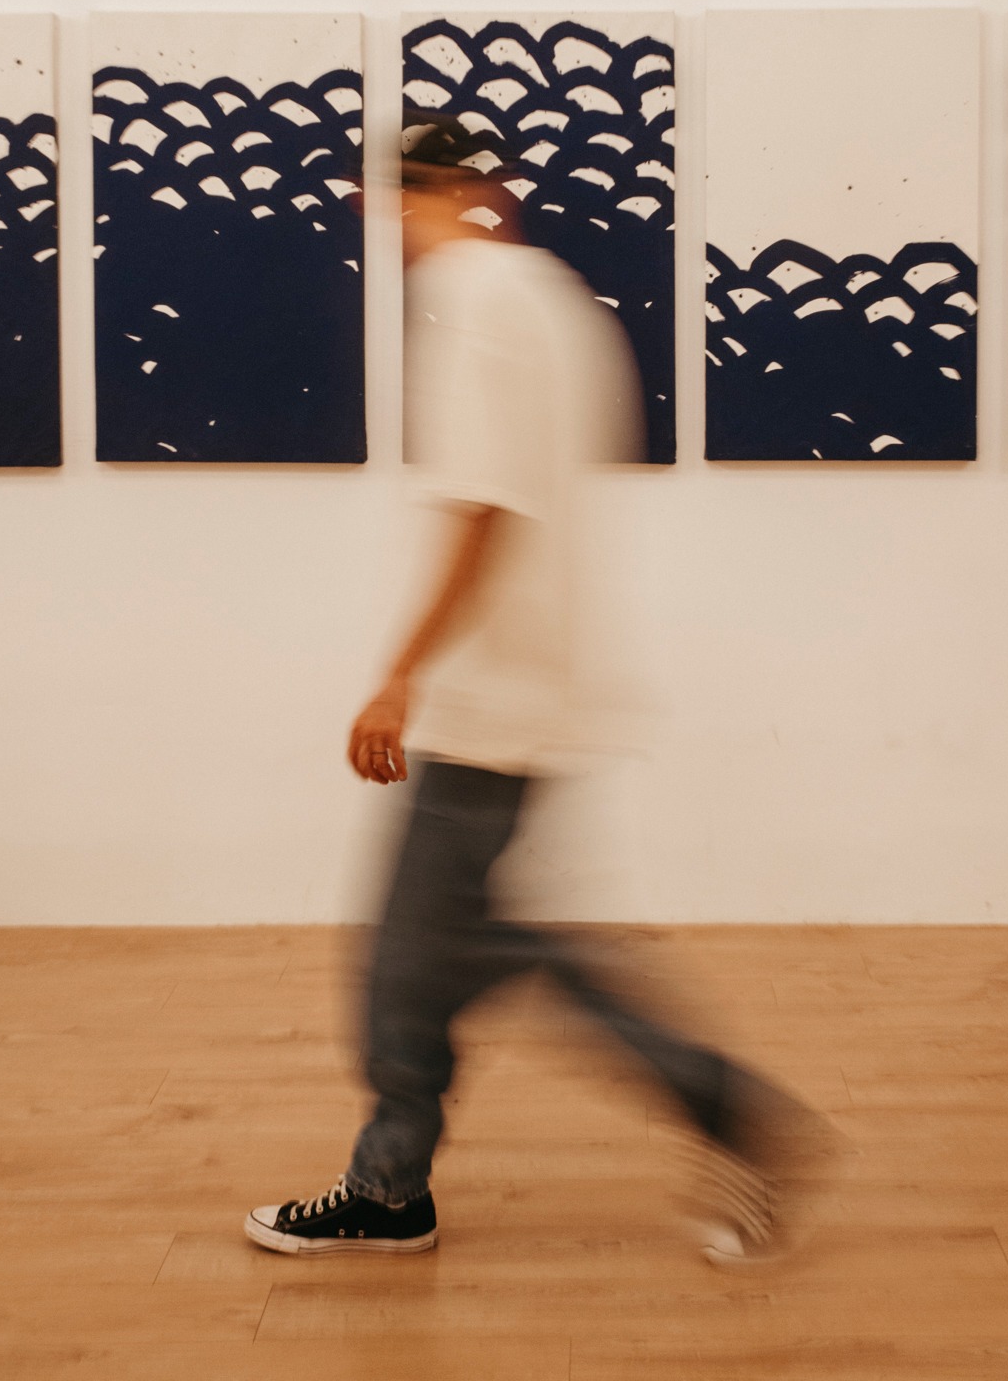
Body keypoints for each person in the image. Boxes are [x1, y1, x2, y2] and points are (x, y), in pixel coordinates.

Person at [245, 112, 820, 1266]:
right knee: (439, 957)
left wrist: (398, 675)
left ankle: (715, 1111)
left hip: (490, 698)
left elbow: (484, 507)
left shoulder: (472, 306)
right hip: (539, 682)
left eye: (396, 198)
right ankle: (394, 1180)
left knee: (436, 960)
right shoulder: (553, 298)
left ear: (428, 195)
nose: (388, 222)